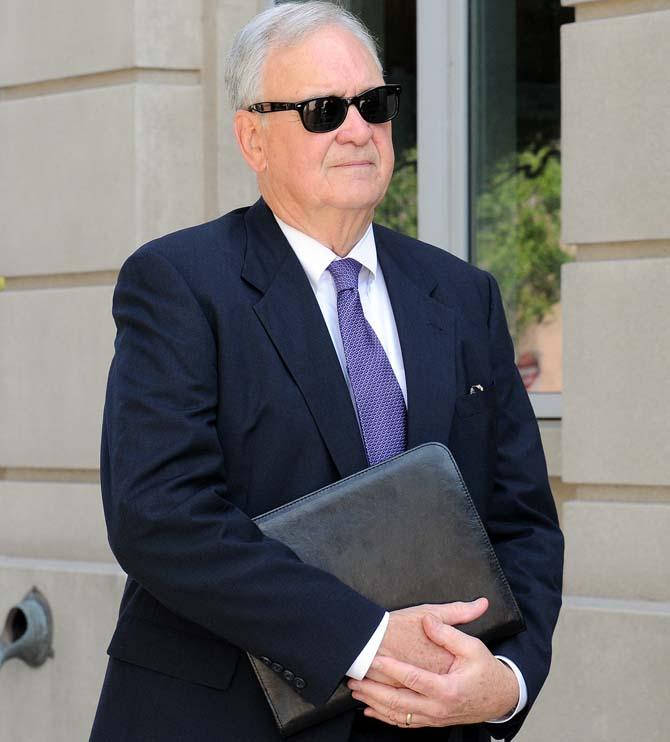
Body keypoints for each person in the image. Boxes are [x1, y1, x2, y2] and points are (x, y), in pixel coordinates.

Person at [90, 3, 563, 741]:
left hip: (430, 725)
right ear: (253, 137)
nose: (356, 129)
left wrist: (504, 683)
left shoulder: (465, 296)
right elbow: (160, 514)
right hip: (221, 720)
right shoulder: (179, 283)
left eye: (373, 105)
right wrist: (367, 640)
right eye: (320, 110)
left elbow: (523, 525)